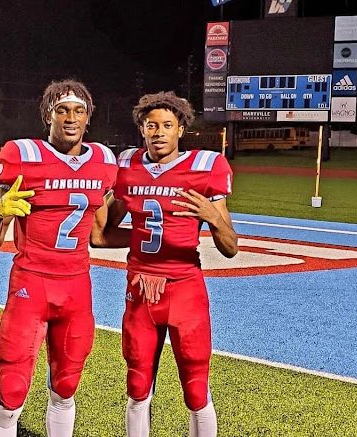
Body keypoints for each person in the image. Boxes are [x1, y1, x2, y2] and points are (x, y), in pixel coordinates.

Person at [90, 91, 239, 436]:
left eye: (167, 125)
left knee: (196, 387)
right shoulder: (128, 166)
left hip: (184, 289)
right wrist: (141, 236)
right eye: (151, 125)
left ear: (180, 130)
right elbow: (100, 236)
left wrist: (212, 218)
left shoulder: (206, 168)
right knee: (138, 384)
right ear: (141, 129)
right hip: (140, 289)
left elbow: (230, 248)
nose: (158, 132)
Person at [0, 78, 118, 437]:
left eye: (79, 110)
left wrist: (162, 240)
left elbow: (99, 235)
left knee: (66, 387)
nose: (70, 117)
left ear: (88, 117)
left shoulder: (103, 161)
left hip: (76, 288)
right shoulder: (22, 156)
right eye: (61, 110)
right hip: (31, 284)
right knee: (11, 392)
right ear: (48, 116)